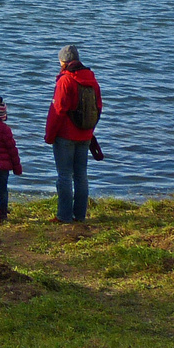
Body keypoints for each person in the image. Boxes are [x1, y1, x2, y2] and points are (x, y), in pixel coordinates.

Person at [44, 44, 102, 223]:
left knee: (64, 175)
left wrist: (49, 135)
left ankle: (64, 216)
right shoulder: (91, 79)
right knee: (81, 175)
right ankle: (80, 215)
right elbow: (98, 107)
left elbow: (58, 110)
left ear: (63, 61)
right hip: (85, 135)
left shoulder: (65, 80)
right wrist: (90, 130)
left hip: (65, 136)